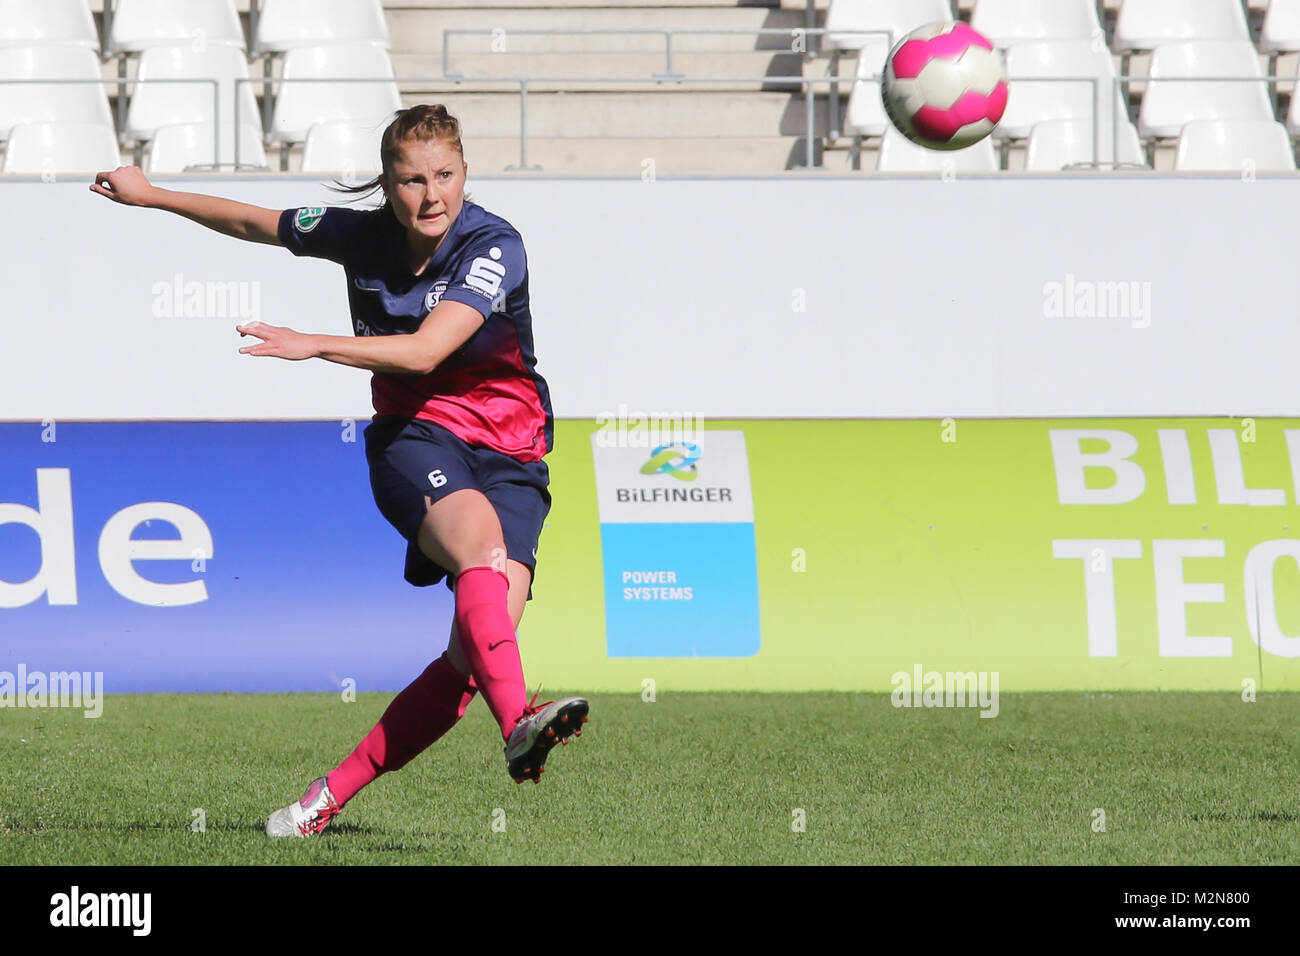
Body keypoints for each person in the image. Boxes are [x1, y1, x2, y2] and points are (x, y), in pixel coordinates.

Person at [90, 104, 588, 839]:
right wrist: (153, 193)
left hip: (513, 458)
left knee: (470, 657)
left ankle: (321, 802)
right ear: (386, 185)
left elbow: (427, 348)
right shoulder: (358, 235)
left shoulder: (494, 245)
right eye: (412, 180)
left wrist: (309, 342)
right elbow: (258, 222)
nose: (432, 195)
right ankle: (518, 722)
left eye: (445, 175)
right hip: (416, 441)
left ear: (465, 171)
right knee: (482, 557)